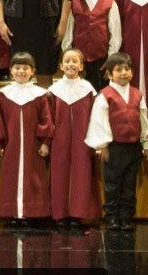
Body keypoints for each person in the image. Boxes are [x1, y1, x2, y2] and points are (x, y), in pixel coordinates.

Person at [84, 52, 148, 232]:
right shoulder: (105, 95)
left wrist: (145, 143)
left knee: (129, 184)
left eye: (127, 69)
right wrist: (103, 145)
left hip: (134, 147)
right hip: (114, 147)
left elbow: (143, 119)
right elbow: (100, 120)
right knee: (112, 184)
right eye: (118, 70)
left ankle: (126, 216)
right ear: (109, 74)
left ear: (132, 72)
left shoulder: (137, 94)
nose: (123, 73)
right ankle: (112, 217)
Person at [0, 52, 54, 224]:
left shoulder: (40, 94)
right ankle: (14, 212)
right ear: (11, 71)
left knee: (33, 179)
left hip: (33, 146)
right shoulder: (4, 94)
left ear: (32, 71)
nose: (21, 71)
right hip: (11, 145)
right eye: (17, 68)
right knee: (11, 177)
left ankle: (31, 212)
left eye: (25, 68)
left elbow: (46, 119)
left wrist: (45, 142)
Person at [49, 48, 100, 228]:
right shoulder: (53, 91)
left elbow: (96, 118)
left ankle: (78, 214)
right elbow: (47, 119)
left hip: (83, 141)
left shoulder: (88, 90)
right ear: (61, 66)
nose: (71, 64)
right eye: (67, 61)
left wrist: (98, 143)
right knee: (59, 173)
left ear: (81, 66)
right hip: (59, 141)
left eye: (74, 61)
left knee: (82, 173)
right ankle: (60, 214)